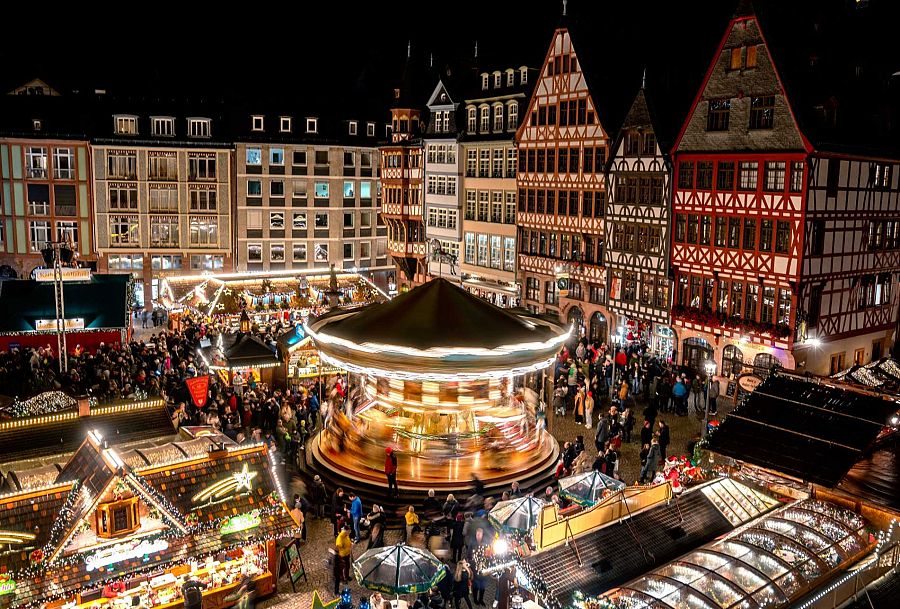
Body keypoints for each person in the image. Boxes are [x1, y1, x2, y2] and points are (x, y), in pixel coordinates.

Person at [333, 526, 353, 595]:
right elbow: (338, 547)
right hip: (342, 556)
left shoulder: (346, 536)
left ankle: (347, 576)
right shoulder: (340, 538)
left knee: (347, 566)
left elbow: (348, 542)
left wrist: (351, 544)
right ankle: (342, 579)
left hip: (347, 555)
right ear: (346, 531)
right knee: (342, 569)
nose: (349, 533)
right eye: (349, 531)